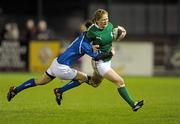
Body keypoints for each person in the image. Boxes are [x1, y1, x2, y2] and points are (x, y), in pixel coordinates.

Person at [57, 9, 144, 112]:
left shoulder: (110, 26)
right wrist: (110, 53)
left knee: (94, 83)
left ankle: (60, 90)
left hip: (107, 61)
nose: (106, 22)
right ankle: (133, 105)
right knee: (120, 82)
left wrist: (119, 34)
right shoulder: (93, 33)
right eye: (103, 20)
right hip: (100, 63)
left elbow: (111, 36)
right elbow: (95, 55)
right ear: (97, 20)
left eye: (107, 19)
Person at [7, 32, 115, 105]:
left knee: (39, 81)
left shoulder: (82, 36)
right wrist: (110, 53)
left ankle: (15, 90)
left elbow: (89, 34)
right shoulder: (85, 46)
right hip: (62, 68)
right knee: (84, 78)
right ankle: (60, 91)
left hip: (56, 62)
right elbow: (96, 56)